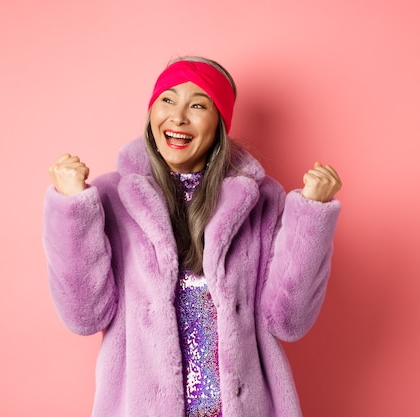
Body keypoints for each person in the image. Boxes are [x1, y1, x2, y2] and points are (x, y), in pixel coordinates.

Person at [43, 56, 342, 417]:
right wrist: (73, 206)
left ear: (220, 122)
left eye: (198, 105)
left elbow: (288, 322)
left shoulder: (261, 202)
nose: (178, 116)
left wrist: (311, 214)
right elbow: (84, 316)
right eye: (167, 100)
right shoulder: (111, 198)